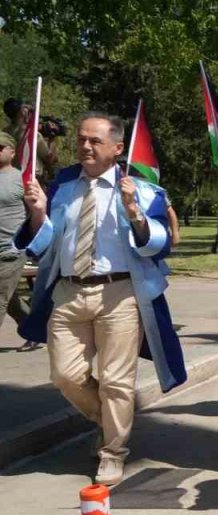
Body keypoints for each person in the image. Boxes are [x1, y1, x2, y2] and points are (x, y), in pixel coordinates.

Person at [15, 112, 186, 485]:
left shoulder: (141, 191)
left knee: (116, 381)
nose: (85, 146)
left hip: (121, 293)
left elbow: (157, 247)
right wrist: (38, 215)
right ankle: (108, 421)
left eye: (94, 141)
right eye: (81, 139)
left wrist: (136, 215)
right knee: (65, 374)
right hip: (69, 291)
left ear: (117, 147)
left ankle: (113, 451)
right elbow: (43, 246)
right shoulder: (61, 185)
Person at [0, 131, 34, 335]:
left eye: (0, 147)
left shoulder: (22, 179)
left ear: (12, 152)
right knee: (9, 300)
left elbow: (35, 212)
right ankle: (35, 329)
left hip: (10, 250)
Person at [4, 98, 58, 184]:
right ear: (22, 112)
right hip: (31, 180)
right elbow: (50, 159)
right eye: (24, 108)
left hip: (10, 180)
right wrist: (52, 139)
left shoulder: (4, 133)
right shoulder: (33, 135)